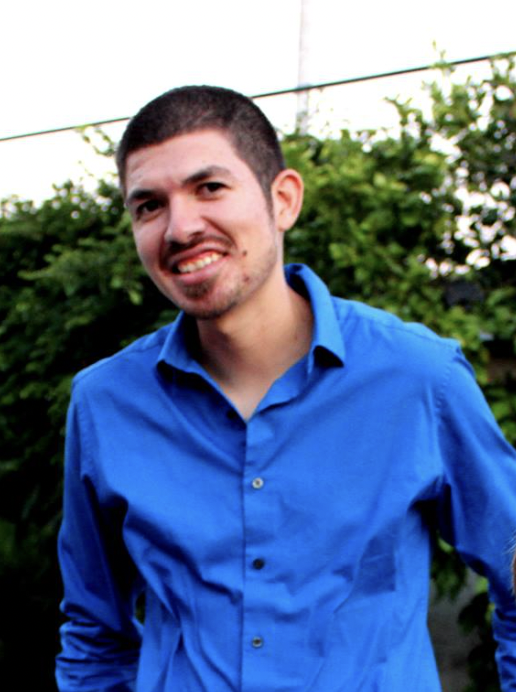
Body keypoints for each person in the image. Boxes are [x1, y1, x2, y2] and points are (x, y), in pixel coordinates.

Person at [56, 85, 516, 692]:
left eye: (209, 187)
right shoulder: (105, 405)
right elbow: (94, 634)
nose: (180, 227)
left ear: (283, 200)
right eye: (148, 206)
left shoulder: (419, 379)